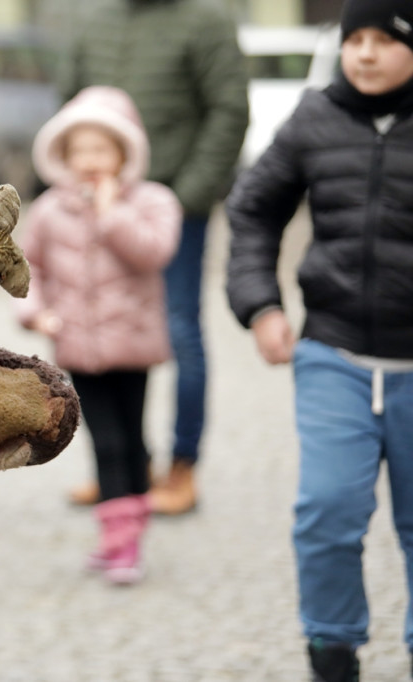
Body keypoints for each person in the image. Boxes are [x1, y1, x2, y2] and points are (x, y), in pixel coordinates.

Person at [225, 1, 413, 678]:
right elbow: (251, 210)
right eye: (353, 39)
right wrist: (261, 305)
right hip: (333, 354)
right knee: (328, 511)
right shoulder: (314, 117)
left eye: (385, 40)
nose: (364, 53)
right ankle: (332, 653)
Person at [58, 0, 249, 513]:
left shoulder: (206, 21)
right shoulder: (95, 21)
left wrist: (187, 195)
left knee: (180, 329)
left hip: (171, 210)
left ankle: (182, 466)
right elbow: (71, 106)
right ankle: (123, 468)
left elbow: (229, 110)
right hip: (96, 209)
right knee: (100, 327)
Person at [16, 85, 181, 584]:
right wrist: (36, 313)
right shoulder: (49, 210)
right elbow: (26, 268)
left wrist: (112, 213)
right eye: (80, 150)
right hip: (79, 348)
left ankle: (129, 532)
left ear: (125, 153)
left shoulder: (152, 201)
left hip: (134, 346)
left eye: (102, 149)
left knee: (134, 439)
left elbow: (154, 252)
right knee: (103, 441)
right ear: (63, 156)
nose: (90, 160)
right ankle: (117, 538)